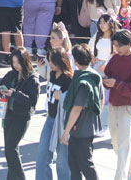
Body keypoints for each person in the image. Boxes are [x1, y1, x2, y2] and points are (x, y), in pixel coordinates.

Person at [102, 30, 131, 180]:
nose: (116, 49)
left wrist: (116, 84)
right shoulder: (115, 58)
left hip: (128, 107)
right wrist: (107, 82)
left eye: (119, 46)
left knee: (122, 147)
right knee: (117, 145)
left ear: (129, 44)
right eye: (114, 45)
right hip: (114, 104)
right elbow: (107, 73)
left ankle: (120, 177)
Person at [0, 46, 39, 180]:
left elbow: (32, 101)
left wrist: (15, 94)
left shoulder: (32, 78)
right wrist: (1, 90)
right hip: (9, 113)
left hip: (22, 116)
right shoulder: (11, 74)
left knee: (10, 148)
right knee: (9, 149)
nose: (15, 65)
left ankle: (20, 177)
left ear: (24, 61)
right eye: (13, 62)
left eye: (18, 62)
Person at [61, 44, 102, 180]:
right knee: (74, 164)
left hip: (80, 129)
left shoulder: (83, 80)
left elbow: (77, 108)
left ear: (75, 61)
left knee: (85, 164)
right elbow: (101, 100)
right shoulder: (95, 75)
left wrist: (66, 131)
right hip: (89, 126)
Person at [36, 46, 73, 180]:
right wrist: (40, 68)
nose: (50, 64)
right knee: (42, 155)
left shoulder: (68, 79)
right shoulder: (52, 74)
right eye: (49, 60)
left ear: (60, 61)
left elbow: (73, 103)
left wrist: (62, 97)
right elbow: (44, 76)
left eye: (52, 61)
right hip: (50, 119)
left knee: (62, 161)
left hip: (62, 122)